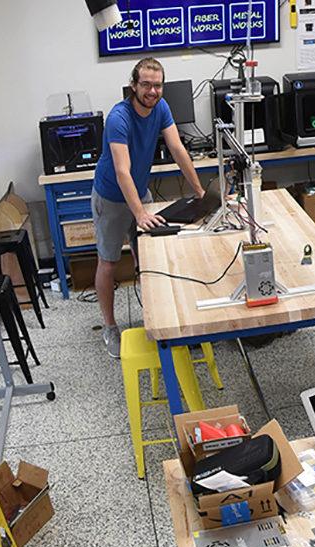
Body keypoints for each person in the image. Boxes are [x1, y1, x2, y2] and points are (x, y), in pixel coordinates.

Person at [92, 57, 204, 358]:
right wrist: (139, 212)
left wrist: (199, 190)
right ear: (133, 85)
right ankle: (110, 327)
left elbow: (178, 149)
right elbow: (122, 171)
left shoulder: (161, 108)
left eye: (157, 85)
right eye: (146, 85)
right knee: (109, 262)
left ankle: (163, 323)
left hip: (138, 193)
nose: (152, 91)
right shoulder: (119, 118)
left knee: (153, 260)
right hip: (112, 197)